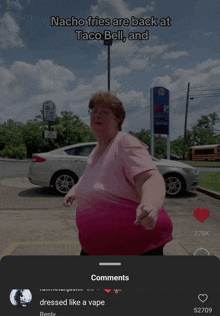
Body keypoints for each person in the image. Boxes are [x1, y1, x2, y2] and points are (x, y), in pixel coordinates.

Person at [63, 91, 173, 255]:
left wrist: (151, 204)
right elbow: (91, 177)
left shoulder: (125, 142)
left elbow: (151, 178)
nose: (97, 116)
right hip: (95, 247)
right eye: (94, 112)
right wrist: (75, 189)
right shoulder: (97, 149)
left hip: (134, 248)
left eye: (104, 112)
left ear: (118, 119)